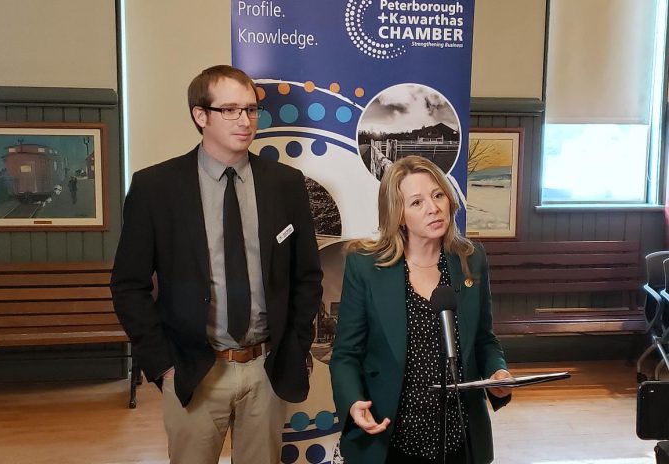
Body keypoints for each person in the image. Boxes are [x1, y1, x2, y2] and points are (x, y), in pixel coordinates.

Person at [110, 65, 323, 464]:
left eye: (251, 109)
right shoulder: (155, 188)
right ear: (200, 116)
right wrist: (163, 366)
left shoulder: (285, 184)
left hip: (266, 367)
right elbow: (128, 285)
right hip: (193, 368)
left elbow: (307, 276)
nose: (244, 120)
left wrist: (293, 346)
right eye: (230, 110)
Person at [329, 155, 512, 464]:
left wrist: (498, 372)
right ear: (398, 214)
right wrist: (353, 401)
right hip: (390, 438)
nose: (433, 207)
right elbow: (346, 354)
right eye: (416, 202)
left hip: (459, 438)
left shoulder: (471, 258)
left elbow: (484, 339)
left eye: (438, 194)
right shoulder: (366, 267)